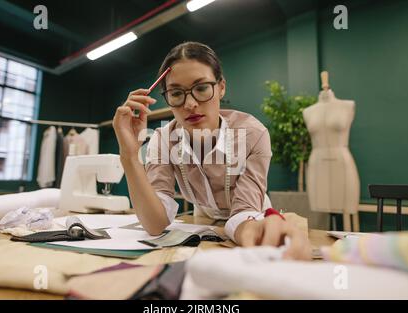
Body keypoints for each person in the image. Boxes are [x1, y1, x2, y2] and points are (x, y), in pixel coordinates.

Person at [113, 41, 310, 260]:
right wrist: (129, 155)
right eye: (176, 93)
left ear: (221, 86)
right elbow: (155, 225)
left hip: (251, 216)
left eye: (201, 88)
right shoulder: (162, 140)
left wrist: (254, 232)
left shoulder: (253, 134)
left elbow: (244, 211)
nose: (190, 104)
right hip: (204, 217)